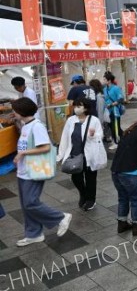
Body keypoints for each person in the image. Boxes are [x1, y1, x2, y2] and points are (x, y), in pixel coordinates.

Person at [11, 98, 72, 246]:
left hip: (34, 171)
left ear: (21, 111)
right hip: (24, 171)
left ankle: (60, 217)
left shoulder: (37, 126)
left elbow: (45, 147)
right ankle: (34, 234)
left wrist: (23, 153)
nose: (13, 113)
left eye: (14, 110)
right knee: (26, 205)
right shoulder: (25, 125)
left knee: (31, 203)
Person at [57, 98, 106, 211]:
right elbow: (65, 138)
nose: (76, 108)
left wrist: (93, 135)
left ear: (86, 108)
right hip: (75, 154)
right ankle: (83, 193)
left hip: (90, 155)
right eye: (75, 106)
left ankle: (91, 200)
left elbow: (100, 135)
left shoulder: (94, 120)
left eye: (79, 106)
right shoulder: (71, 120)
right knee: (76, 177)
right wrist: (60, 155)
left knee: (91, 178)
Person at [104, 72, 124, 150]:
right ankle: (123, 139)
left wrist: (112, 104)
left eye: (105, 79)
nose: (103, 80)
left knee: (115, 127)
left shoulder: (116, 88)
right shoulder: (105, 89)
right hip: (107, 111)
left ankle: (116, 142)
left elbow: (120, 99)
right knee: (112, 126)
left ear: (109, 80)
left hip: (115, 111)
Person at [90, 79, 111, 144]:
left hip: (100, 119)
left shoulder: (99, 97)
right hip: (101, 119)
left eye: (91, 86)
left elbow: (100, 111)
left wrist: (99, 123)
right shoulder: (99, 95)